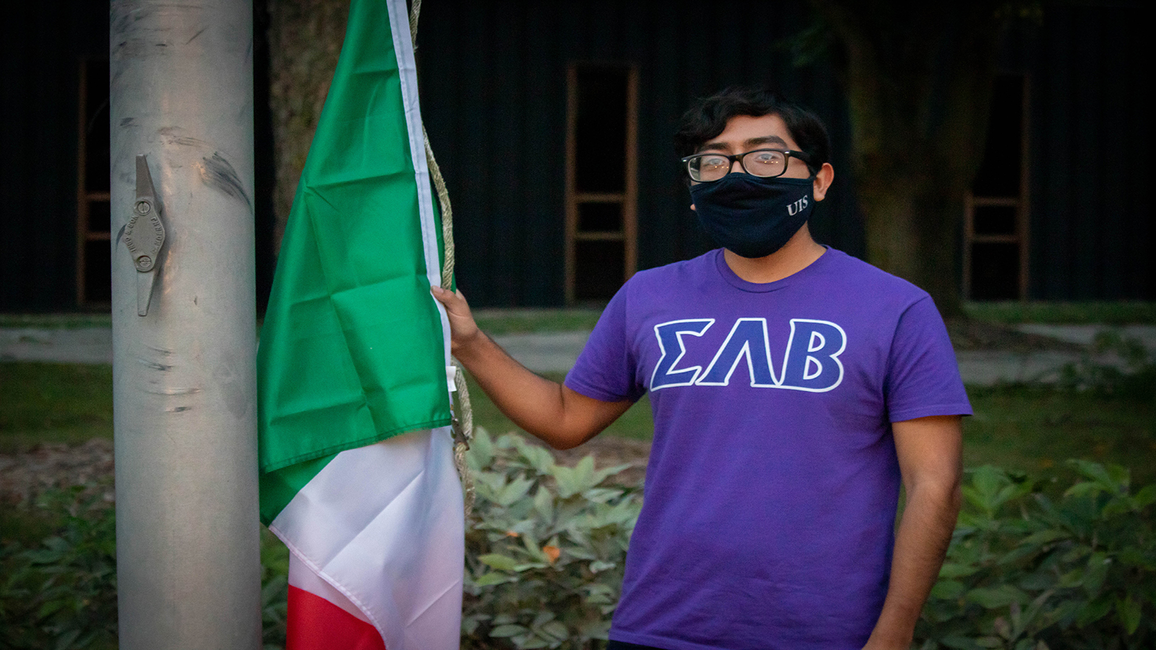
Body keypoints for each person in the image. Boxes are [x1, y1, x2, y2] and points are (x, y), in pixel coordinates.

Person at [432, 86, 970, 650]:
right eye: (714, 162)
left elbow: (935, 485)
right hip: (661, 624)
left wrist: (895, 630)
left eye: (766, 156)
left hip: (826, 631)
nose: (738, 175)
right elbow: (566, 419)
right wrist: (470, 344)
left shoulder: (895, 309)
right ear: (694, 189)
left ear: (819, 180)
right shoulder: (649, 296)